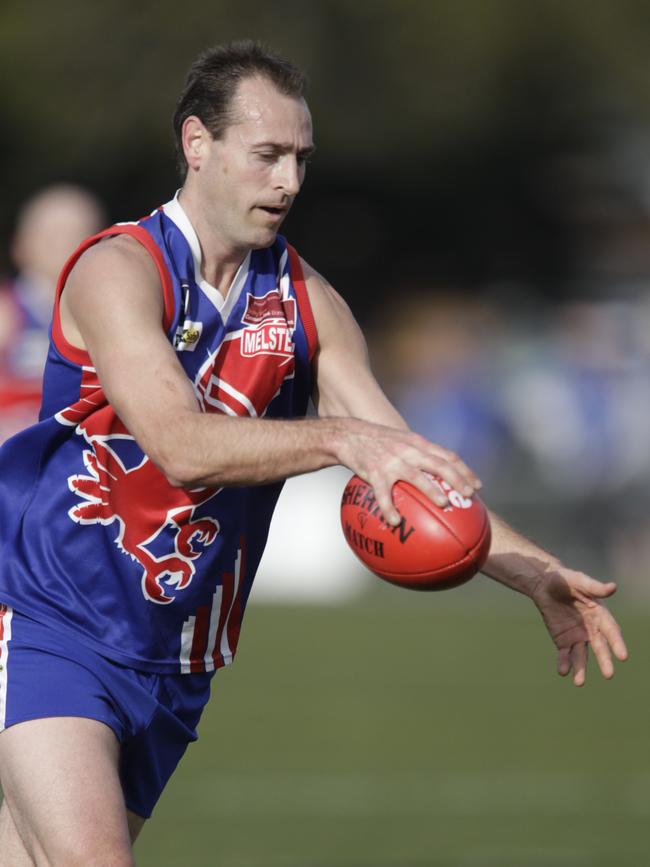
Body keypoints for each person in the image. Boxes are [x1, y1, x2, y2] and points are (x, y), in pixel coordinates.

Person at [0, 41, 627, 866]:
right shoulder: (118, 270)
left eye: (300, 158)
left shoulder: (307, 303)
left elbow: (414, 470)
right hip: (55, 623)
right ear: (198, 144)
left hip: (179, 661)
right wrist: (338, 436)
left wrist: (535, 570)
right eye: (267, 155)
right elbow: (180, 444)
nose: (289, 181)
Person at [0, 185, 105, 442]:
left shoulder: (112, 311)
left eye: (77, 235)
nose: (63, 245)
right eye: (52, 236)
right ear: (20, 245)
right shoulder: (7, 310)